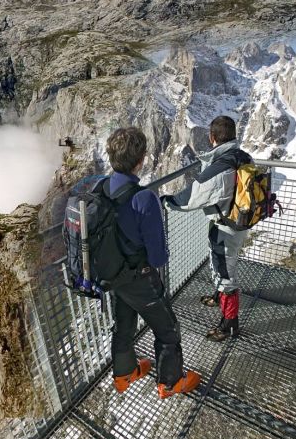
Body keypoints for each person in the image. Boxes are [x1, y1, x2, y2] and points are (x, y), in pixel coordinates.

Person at [105, 127, 202, 398]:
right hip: (139, 278)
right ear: (141, 159)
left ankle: (124, 374)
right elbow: (158, 257)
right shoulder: (143, 198)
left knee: (124, 324)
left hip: (114, 276)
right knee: (168, 329)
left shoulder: (102, 189)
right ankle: (170, 383)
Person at [163, 116, 250, 342]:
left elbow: (190, 198)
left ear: (212, 137)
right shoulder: (241, 155)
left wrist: (166, 201)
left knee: (226, 275)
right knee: (220, 265)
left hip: (226, 228)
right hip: (238, 222)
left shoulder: (221, 167)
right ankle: (217, 295)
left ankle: (230, 326)